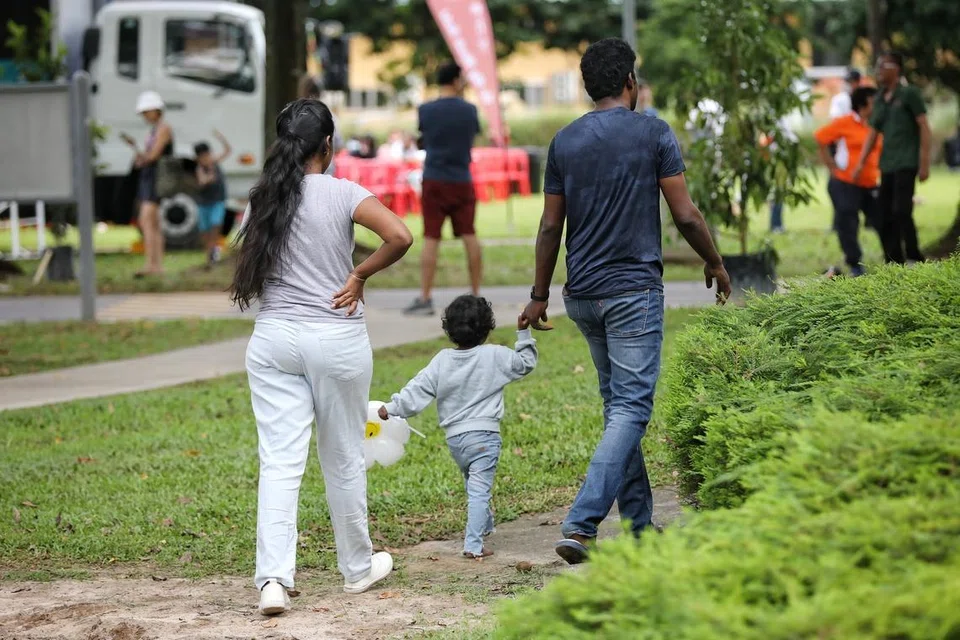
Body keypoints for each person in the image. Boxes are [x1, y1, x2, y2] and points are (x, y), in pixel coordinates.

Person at [518, 38, 731, 565]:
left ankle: (638, 526)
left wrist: (539, 294)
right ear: (630, 82)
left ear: (590, 87)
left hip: (583, 296)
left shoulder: (564, 142)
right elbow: (685, 214)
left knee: (621, 410)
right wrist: (715, 261)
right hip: (632, 293)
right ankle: (582, 524)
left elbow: (550, 226)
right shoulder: (654, 132)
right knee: (632, 409)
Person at [231, 99, 413, 615]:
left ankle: (272, 581)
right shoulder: (343, 193)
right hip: (335, 338)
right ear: (328, 145)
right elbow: (400, 235)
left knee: (279, 463)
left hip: (272, 342)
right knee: (342, 456)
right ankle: (357, 569)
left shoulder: (261, 199)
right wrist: (358, 276)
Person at [378, 295, 538, 558]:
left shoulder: (442, 361)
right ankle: (473, 545)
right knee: (479, 491)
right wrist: (523, 333)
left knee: (473, 485)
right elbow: (525, 364)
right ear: (488, 328)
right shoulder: (495, 355)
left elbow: (417, 391)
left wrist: (391, 407)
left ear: (448, 330)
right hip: (484, 437)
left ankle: (485, 525)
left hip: (456, 441)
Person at [404, 62, 482, 316]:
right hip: (461, 177)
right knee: (469, 235)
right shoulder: (469, 110)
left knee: (431, 238)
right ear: (457, 80)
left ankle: (425, 297)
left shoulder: (426, 109)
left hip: (434, 177)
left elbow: (425, 138)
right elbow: (471, 137)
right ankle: (476, 293)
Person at [853, 52, 932, 264]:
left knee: (901, 210)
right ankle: (894, 260)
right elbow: (872, 133)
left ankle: (914, 255)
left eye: (882, 66)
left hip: (907, 162)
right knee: (882, 214)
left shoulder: (909, 94)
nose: (878, 71)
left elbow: (924, 126)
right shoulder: (879, 99)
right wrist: (860, 163)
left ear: (895, 69)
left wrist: (925, 162)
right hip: (887, 164)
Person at [815, 87, 883, 277]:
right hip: (846, 182)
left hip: (870, 183)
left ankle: (894, 259)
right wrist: (832, 167)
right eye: (873, 102)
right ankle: (855, 264)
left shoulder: (877, 124)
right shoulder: (845, 122)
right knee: (848, 223)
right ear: (863, 105)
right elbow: (820, 138)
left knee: (884, 220)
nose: (877, 105)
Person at [122, 91, 173, 278]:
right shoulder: (154, 130)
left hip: (155, 179)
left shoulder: (163, 129)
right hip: (149, 177)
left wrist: (141, 154)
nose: (144, 116)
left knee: (146, 220)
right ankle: (156, 265)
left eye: (146, 112)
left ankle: (152, 264)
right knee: (153, 223)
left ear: (155, 110)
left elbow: (153, 155)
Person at [193, 130, 232, 266]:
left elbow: (227, 150)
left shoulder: (214, 161)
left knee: (216, 224)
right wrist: (209, 178)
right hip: (204, 203)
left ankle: (214, 250)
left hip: (217, 201)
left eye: (207, 155)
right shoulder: (200, 169)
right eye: (203, 157)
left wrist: (221, 138)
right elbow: (202, 181)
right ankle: (209, 253)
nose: (206, 159)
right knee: (204, 230)